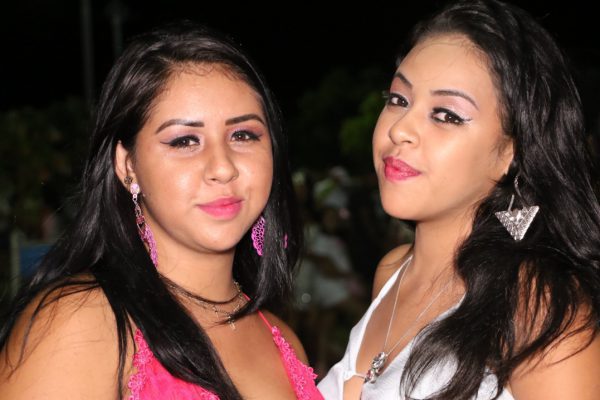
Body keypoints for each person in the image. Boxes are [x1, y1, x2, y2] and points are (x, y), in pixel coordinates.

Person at [0, 23, 323, 400]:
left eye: (243, 135)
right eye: (185, 141)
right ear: (128, 166)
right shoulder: (81, 324)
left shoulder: (285, 342)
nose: (223, 167)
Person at [318, 1, 600, 399]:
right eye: (398, 99)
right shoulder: (393, 272)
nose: (400, 129)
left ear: (511, 154)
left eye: (446, 115)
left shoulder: (539, 308)